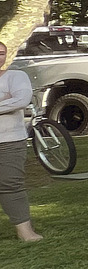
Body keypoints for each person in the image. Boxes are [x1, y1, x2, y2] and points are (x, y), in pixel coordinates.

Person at [0, 41, 42, 242]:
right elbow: (13, 102)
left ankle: (25, 232)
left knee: (10, 183)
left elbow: (22, 100)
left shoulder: (16, 76)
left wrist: (11, 101)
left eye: (1, 53)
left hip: (9, 140)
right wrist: (5, 103)